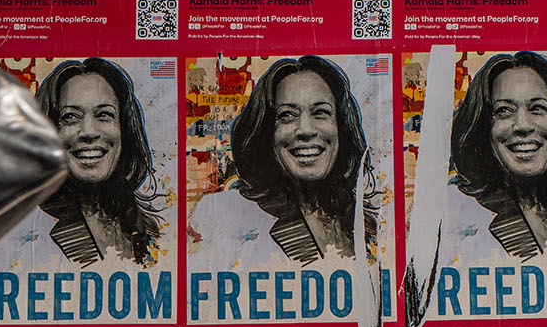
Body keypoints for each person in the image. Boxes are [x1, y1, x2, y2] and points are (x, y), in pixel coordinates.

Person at [192, 56, 378, 265]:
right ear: (267, 133)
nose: (305, 130)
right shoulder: (224, 214)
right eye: (287, 115)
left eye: (321, 113)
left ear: (341, 127)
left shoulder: (368, 220)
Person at [446, 51, 547, 260]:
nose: (523, 125)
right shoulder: (457, 216)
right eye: (504, 111)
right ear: (484, 128)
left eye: (537, 108)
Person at [32, 57, 165, 267]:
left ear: (124, 129)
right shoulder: (31, 231)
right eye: (70, 117)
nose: (89, 132)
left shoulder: (146, 229)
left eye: (104, 114)